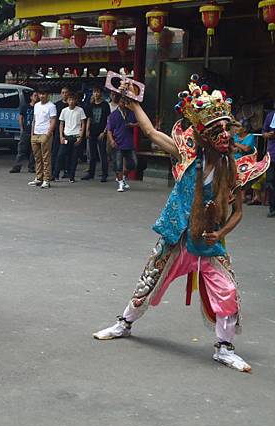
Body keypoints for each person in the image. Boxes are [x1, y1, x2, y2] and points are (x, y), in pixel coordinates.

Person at [93, 75, 271, 372]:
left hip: (208, 242)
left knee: (228, 291)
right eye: (218, 130)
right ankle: (123, 324)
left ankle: (224, 348)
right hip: (176, 234)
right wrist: (135, 104)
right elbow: (150, 131)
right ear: (204, 136)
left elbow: (239, 213)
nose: (225, 135)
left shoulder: (234, 169)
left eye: (227, 128)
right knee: (148, 281)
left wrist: (221, 233)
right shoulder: (187, 157)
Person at [107, 95, 138, 192]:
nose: (124, 104)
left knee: (133, 163)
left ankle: (123, 177)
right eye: (122, 102)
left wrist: (133, 125)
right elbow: (109, 130)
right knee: (118, 164)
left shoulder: (131, 113)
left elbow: (140, 122)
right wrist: (111, 140)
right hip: (118, 142)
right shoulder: (113, 115)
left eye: (125, 102)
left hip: (128, 142)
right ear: (118, 103)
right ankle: (120, 183)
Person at [53, 94, 87, 183]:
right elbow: (61, 124)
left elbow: (83, 123)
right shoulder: (64, 111)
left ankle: (72, 176)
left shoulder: (80, 110)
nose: (71, 101)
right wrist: (61, 136)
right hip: (66, 136)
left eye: (73, 99)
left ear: (75, 101)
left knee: (74, 158)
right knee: (60, 155)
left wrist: (80, 137)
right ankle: (55, 174)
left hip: (76, 136)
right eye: (70, 100)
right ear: (67, 101)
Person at [29, 88, 57, 189]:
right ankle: (38, 177)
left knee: (46, 158)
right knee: (37, 157)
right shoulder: (36, 105)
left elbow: (53, 120)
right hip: (36, 133)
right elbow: (34, 120)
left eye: (43, 94)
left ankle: (46, 179)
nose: (41, 96)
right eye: (40, 94)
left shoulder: (51, 106)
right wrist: (32, 133)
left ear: (47, 95)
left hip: (45, 133)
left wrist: (49, 133)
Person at [82, 86, 111, 182]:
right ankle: (91, 173)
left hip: (102, 131)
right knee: (92, 153)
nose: (96, 94)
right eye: (94, 92)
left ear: (101, 93)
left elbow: (108, 119)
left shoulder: (105, 105)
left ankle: (104, 174)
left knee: (102, 153)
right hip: (92, 131)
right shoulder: (90, 105)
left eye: (98, 92)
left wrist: (104, 131)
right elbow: (89, 118)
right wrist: (87, 130)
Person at [10, 90, 38, 174]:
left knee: (34, 151)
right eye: (35, 95)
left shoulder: (39, 107)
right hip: (26, 130)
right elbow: (21, 117)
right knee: (21, 150)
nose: (37, 97)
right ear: (31, 97)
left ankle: (31, 167)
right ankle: (17, 167)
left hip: (36, 131)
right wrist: (22, 128)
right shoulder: (25, 107)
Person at [51, 87, 71, 179]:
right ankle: (53, 171)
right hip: (58, 132)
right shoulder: (56, 105)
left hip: (69, 132)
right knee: (55, 152)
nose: (65, 94)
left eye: (66, 92)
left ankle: (67, 171)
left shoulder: (72, 105)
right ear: (61, 94)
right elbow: (54, 118)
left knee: (67, 153)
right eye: (63, 92)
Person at [263, 105, 275, 217]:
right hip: (272, 154)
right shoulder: (270, 115)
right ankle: (272, 208)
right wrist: (269, 135)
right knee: (270, 182)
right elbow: (264, 133)